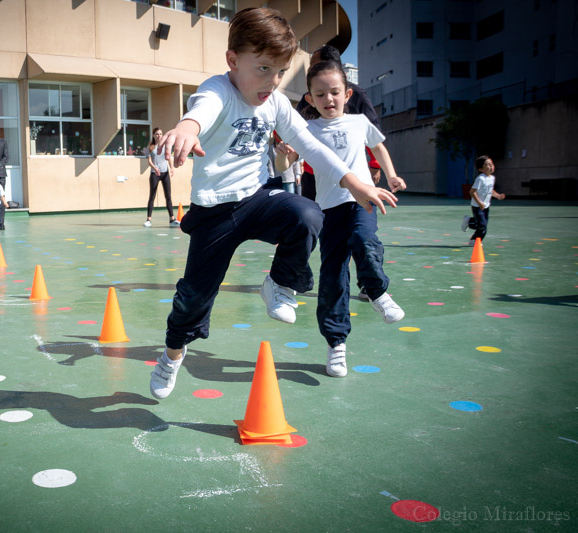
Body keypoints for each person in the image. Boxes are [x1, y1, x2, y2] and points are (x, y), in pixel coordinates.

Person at [148, 7, 398, 399]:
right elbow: (200, 112)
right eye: (263, 69)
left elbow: (311, 145)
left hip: (256, 199)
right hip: (215, 212)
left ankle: (279, 283)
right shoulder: (219, 90)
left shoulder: (276, 103)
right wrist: (185, 127)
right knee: (193, 298)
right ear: (233, 61)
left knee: (306, 214)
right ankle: (172, 355)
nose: (272, 81)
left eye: (280, 71)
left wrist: (356, 183)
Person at [278, 60, 407, 378]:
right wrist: (282, 151)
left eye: (335, 92)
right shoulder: (307, 130)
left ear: (347, 93)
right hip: (328, 211)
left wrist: (390, 176)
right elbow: (286, 163)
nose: (328, 99)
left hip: (361, 201)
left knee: (365, 240)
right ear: (309, 99)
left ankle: (376, 291)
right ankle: (336, 345)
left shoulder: (360, 122)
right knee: (333, 279)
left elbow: (378, 148)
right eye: (320, 94)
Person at [296, 44, 383, 202]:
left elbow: (372, 129)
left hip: (350, 172)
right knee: (313, 217)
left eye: (313, 65)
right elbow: (295, 131)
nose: (310, 70)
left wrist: (375, 164)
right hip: (313, 173)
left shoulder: (357, 94)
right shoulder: (307, 98)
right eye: (320, 95)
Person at [461, 155, 504, 245]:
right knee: (482, 225)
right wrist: (479, 203)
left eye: (491, 163)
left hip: (486, 205)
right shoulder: (480, 179)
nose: (491, 166)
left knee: (483, 226)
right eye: (487, 165)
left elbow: (490, 190)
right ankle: (469, 222)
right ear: (481, 169)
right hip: (477, 206)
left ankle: (474, 240)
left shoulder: (492, 178)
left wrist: (498, 196)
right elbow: (472, 192)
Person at [143, 127, 178, 227]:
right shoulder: (151, 147)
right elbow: (149, 161)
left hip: (165, 173)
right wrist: (155, 168)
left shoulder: (166, 146)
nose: (159, 136)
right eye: (157, 134)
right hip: (155, 174)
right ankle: (148, 219)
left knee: (168, 196)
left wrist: (171, 168)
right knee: (152, 196)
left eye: (161, 134)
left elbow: (169, 158)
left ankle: (172, 219)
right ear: (154, 135)